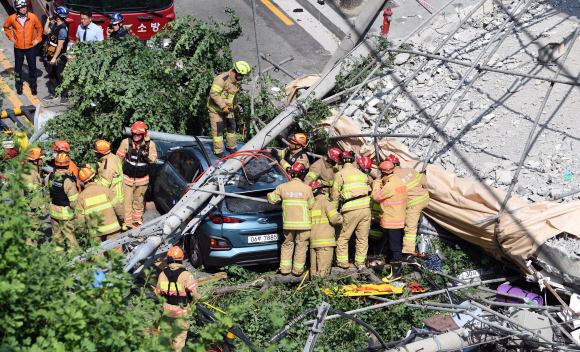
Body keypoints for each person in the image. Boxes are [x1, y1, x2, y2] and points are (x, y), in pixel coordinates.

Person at [267, 163, 314, 275]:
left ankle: (285, 270)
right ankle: (297, 271)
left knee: (287, 245)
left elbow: (272, 199)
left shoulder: (282, 187)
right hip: (304, 225)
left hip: (288, 225)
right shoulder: (307, 189)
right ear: (302, 174)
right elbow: (311, 206)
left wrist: (268, 194)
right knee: (301, 246)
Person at [156, 246, 201, 352]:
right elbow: (195, 293)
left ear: (168, 259)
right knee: (179, 338)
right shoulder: (186, 275)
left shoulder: (162, 274)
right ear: (181, 259)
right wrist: (196, 301)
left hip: (167, 310)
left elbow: (158, 292)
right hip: (181, 311)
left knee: (166, 334)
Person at [331, 151, 371, 270]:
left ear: (341, 162)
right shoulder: (362, 174)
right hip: (366, 208)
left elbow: (334, 195)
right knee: (362, 237)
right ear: (353, 161)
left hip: (351, 209)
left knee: (343, 236)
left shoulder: (340, 174)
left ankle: (343, 264)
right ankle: (360, 263)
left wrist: (333, 212)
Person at [116, 121, 158, 230]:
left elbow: (154, 160)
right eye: (134, 134)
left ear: (143, 134)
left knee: (138, 201)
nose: (136, 136)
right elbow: (118, 159)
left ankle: (136, 221)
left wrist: (147, 155)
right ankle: (126, 222)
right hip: (127, 179)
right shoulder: (126, 142)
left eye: (138, 134)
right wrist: (117, 173)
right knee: (127, 200)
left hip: (142, 180)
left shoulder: (150, 145)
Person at [388, 154, 429, 263]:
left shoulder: (392, 177)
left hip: (413, 203)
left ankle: (408, 253)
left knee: (410, 228)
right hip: (424, 199)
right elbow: (424, 181)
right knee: (415, 219)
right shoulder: (410, 170)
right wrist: (422, 174)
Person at [371, 161, 408, 282]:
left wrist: (377, 182)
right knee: (394, 246)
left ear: (383, 174)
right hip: (399, 218)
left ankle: (396, 274)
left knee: (395, 247)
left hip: (392, 221)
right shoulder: (399, 181)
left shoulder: (389, 186)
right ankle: (391, 265)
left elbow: (376, 197)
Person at [75, 167, 124, 253]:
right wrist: (122, 217)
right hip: (111, 228)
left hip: (95, 231)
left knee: (97, 253)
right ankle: (117, 266)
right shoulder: (106, 190)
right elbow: (118, 206)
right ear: (94, 177)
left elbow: (80, 219)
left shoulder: (81, 197)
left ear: (82, 181)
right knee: (116, 252)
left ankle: (100, 266)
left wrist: (81, 231)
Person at [207, 61, 250, 157]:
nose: (242, 78)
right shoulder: (221, 79)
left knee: (231, 127)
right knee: (218, 129)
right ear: (236, 73)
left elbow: (232, 93)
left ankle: (231, 147)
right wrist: (223, 106)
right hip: (216, 110)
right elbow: (214, 94)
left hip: (228, 108)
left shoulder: (235, 80)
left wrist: (234, 103)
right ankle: (218, 151)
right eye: (242, 75)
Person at [3, 0, 42, 96]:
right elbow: (6, 27)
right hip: (18, 48)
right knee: (18, 69)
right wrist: (11, 37)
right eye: (22, 7)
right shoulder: (12, 18)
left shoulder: (32, 17)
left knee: (33, 68)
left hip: (31, 47)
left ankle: (33, 86)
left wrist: (38, 39)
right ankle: (19, 86)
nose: (24, 9)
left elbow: (39, 28)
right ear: (17, 8)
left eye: (25, 7)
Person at [45, 153, 79, 252]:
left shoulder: (50, 176)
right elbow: (74, 202)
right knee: (70, 238)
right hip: (65, 214)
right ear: (68, 165)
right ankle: (74, 261)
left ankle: (58, 257)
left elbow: (47, 192)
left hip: (53, 211)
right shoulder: (68, 181)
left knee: (57, 236)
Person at [309, 181, 342, 278]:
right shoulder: (326, 202)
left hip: (313, 242)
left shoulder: (311, 205)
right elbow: (334, 219)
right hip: (325, 243)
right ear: (322, 190)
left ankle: (314, 290)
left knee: (314, 272)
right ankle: (323, 291)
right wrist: (342, 218)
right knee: (323, 273)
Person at [43, 5, 69, 104]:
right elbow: (46, 32)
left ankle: (64, 95)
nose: (53, 15)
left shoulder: (62, 29)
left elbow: (60, 46)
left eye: (55, 14)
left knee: (61, 76)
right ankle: (53, 93)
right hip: (51, 55)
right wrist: (48, 21)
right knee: (52, 75)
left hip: (58, 58)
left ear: (58, 17)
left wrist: (54, 58)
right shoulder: (55, 26)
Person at [90, 140, 124, 205]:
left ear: (101, 153)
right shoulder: (112, 157)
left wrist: (91, 182)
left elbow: (103, 185)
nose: (95, 154)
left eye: (96, 152)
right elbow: (100, 165)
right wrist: (88, 166)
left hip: (114, 198)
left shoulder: (108, 167)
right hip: (118, 194)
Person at [22, 147, 46, 233]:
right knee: (32, 231)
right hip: (31, 209)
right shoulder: (29, 173)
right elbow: (28, 193)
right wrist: (34, 209)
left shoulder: (34, 171)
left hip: (35, 208)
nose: (42, 161)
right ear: (35, 161)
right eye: (41, 159)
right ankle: (31, 245)